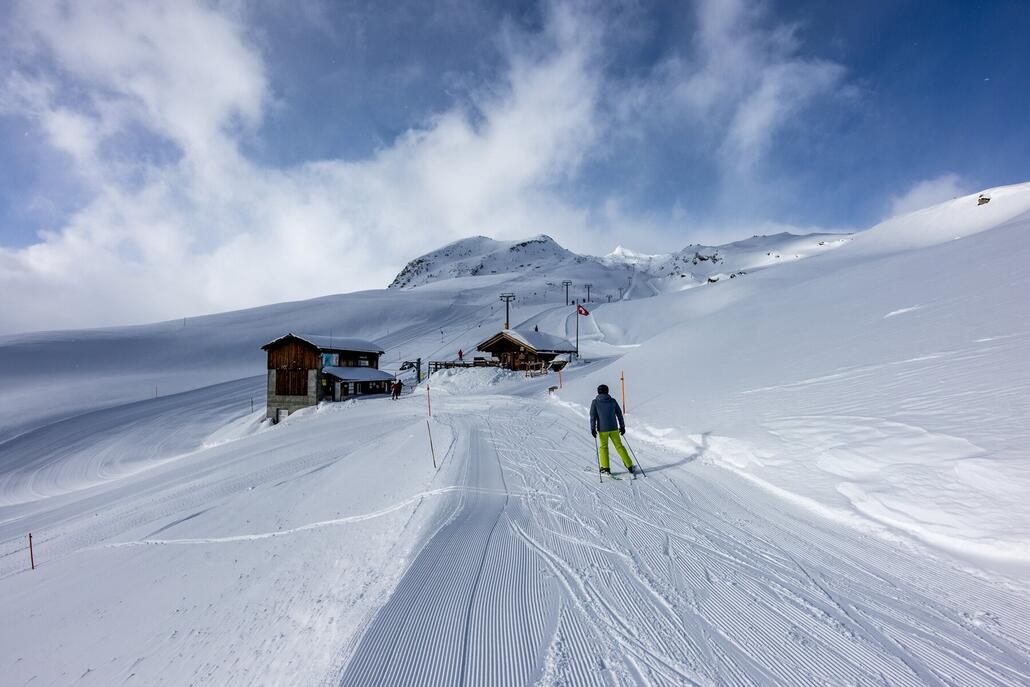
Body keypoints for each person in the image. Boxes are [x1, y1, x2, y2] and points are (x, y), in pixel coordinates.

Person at [590, 384, 635, 475]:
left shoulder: (595, 402)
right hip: (614, 428)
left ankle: (605, 468)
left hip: (602, 430)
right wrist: (622, 426)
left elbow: (593, 416)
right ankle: (629, 465)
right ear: (607, 391)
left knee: (603, 447)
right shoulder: (613, 401)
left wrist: (593, 428)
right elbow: (619, 414)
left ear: (598, 392)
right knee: (619, 446)